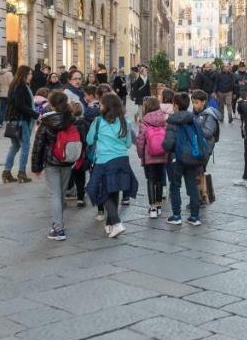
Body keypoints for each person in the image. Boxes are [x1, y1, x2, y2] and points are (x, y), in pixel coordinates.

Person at [85, 94, 138, 238]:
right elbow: (128, 144)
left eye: (101, 104)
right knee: (113, 190)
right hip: (122, 159)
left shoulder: (98, 121)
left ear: (106, 106)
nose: (99, 107)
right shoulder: (125, 121)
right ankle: (110, 224)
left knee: (98, 190)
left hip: (104, 161)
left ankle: (117, 222)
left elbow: (89, 140)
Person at [30, 91, 81, 241]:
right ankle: (56, 223)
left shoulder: (46, 122)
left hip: (52, 162)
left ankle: (59, 229)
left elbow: (38, 145)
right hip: (67, 161)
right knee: (60, 193)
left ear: (51, 104)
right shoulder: (72, 119)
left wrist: (36, 167)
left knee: (55, 195)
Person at [162, 92, 205, 226]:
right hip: (192, 156)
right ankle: (194, 216)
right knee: (192, 185)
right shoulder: (194, 119)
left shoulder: (172, 121)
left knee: (175, 186)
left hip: (176, 158)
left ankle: (176, 216)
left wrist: (163, 145)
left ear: (175, 105)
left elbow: (169, 144)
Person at [134, 97, 169, 219]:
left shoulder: (144, 122)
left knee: (151, 181)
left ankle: (152, 207)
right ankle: (159, 206)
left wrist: (140, 155)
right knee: (160, 180)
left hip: (149, 156)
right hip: (162, 155)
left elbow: (140, 141)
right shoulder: (164, 120)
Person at [2, 66, 39, 183]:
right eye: (29, 74)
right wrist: (36, 115)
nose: (31, 76)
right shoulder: (21, 87)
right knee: (25, 146)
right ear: (24, 75)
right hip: (20, 121)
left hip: (14, 120)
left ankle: (6, 172)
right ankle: (21, 173)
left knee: (15, 146)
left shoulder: (14, 85)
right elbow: (21, 105)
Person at [0, 61, 14, 127]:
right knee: (8, 108)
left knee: (2, 108)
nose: (11, 67)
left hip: (1, 93)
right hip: (8, 93)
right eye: (9, 66)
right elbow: (12, 84)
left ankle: (0, 123)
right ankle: (8, 121)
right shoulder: (9, 74)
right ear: (6, 66)